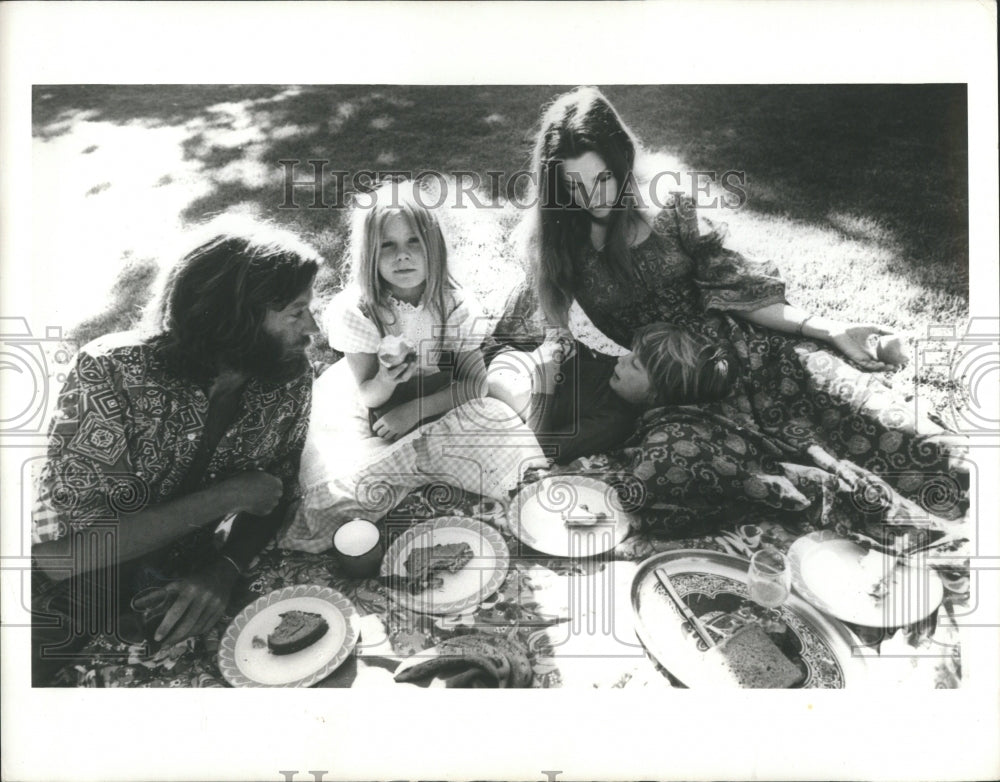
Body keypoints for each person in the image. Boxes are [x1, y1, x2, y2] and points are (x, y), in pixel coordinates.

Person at [492, 86, 966, 524]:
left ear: (622, 161)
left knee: (906, 436)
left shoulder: (669, 207)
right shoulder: (556, 245)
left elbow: (736, 289)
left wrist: (827, 330)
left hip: (748, 357)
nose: (590, 198)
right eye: (572, 187)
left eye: (601, 180)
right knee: (708, 472)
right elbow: (518, 336)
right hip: (671, 392)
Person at [31, 220, 320, 683]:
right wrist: (226, 497)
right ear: (236, 319)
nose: (313, 328)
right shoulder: (111, 375)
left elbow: (275, 489)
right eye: (296, 311)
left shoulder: (286, 377)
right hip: (54, 600)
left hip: (179, 583)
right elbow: (61, 559)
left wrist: (222, 570)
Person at [279, 180, 543, 554]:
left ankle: (425, 466)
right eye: (387, 245)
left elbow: (474, 385)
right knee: (332, 496)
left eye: (413, 242)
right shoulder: (358, 310)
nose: (402, 256)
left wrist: (415, 410)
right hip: (371, 412)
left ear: (433, 245)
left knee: (506, 439)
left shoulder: (454, 305)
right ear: (369, 252)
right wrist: (387, 379)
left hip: (440, 400)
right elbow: (368, 395)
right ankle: (410, 471)